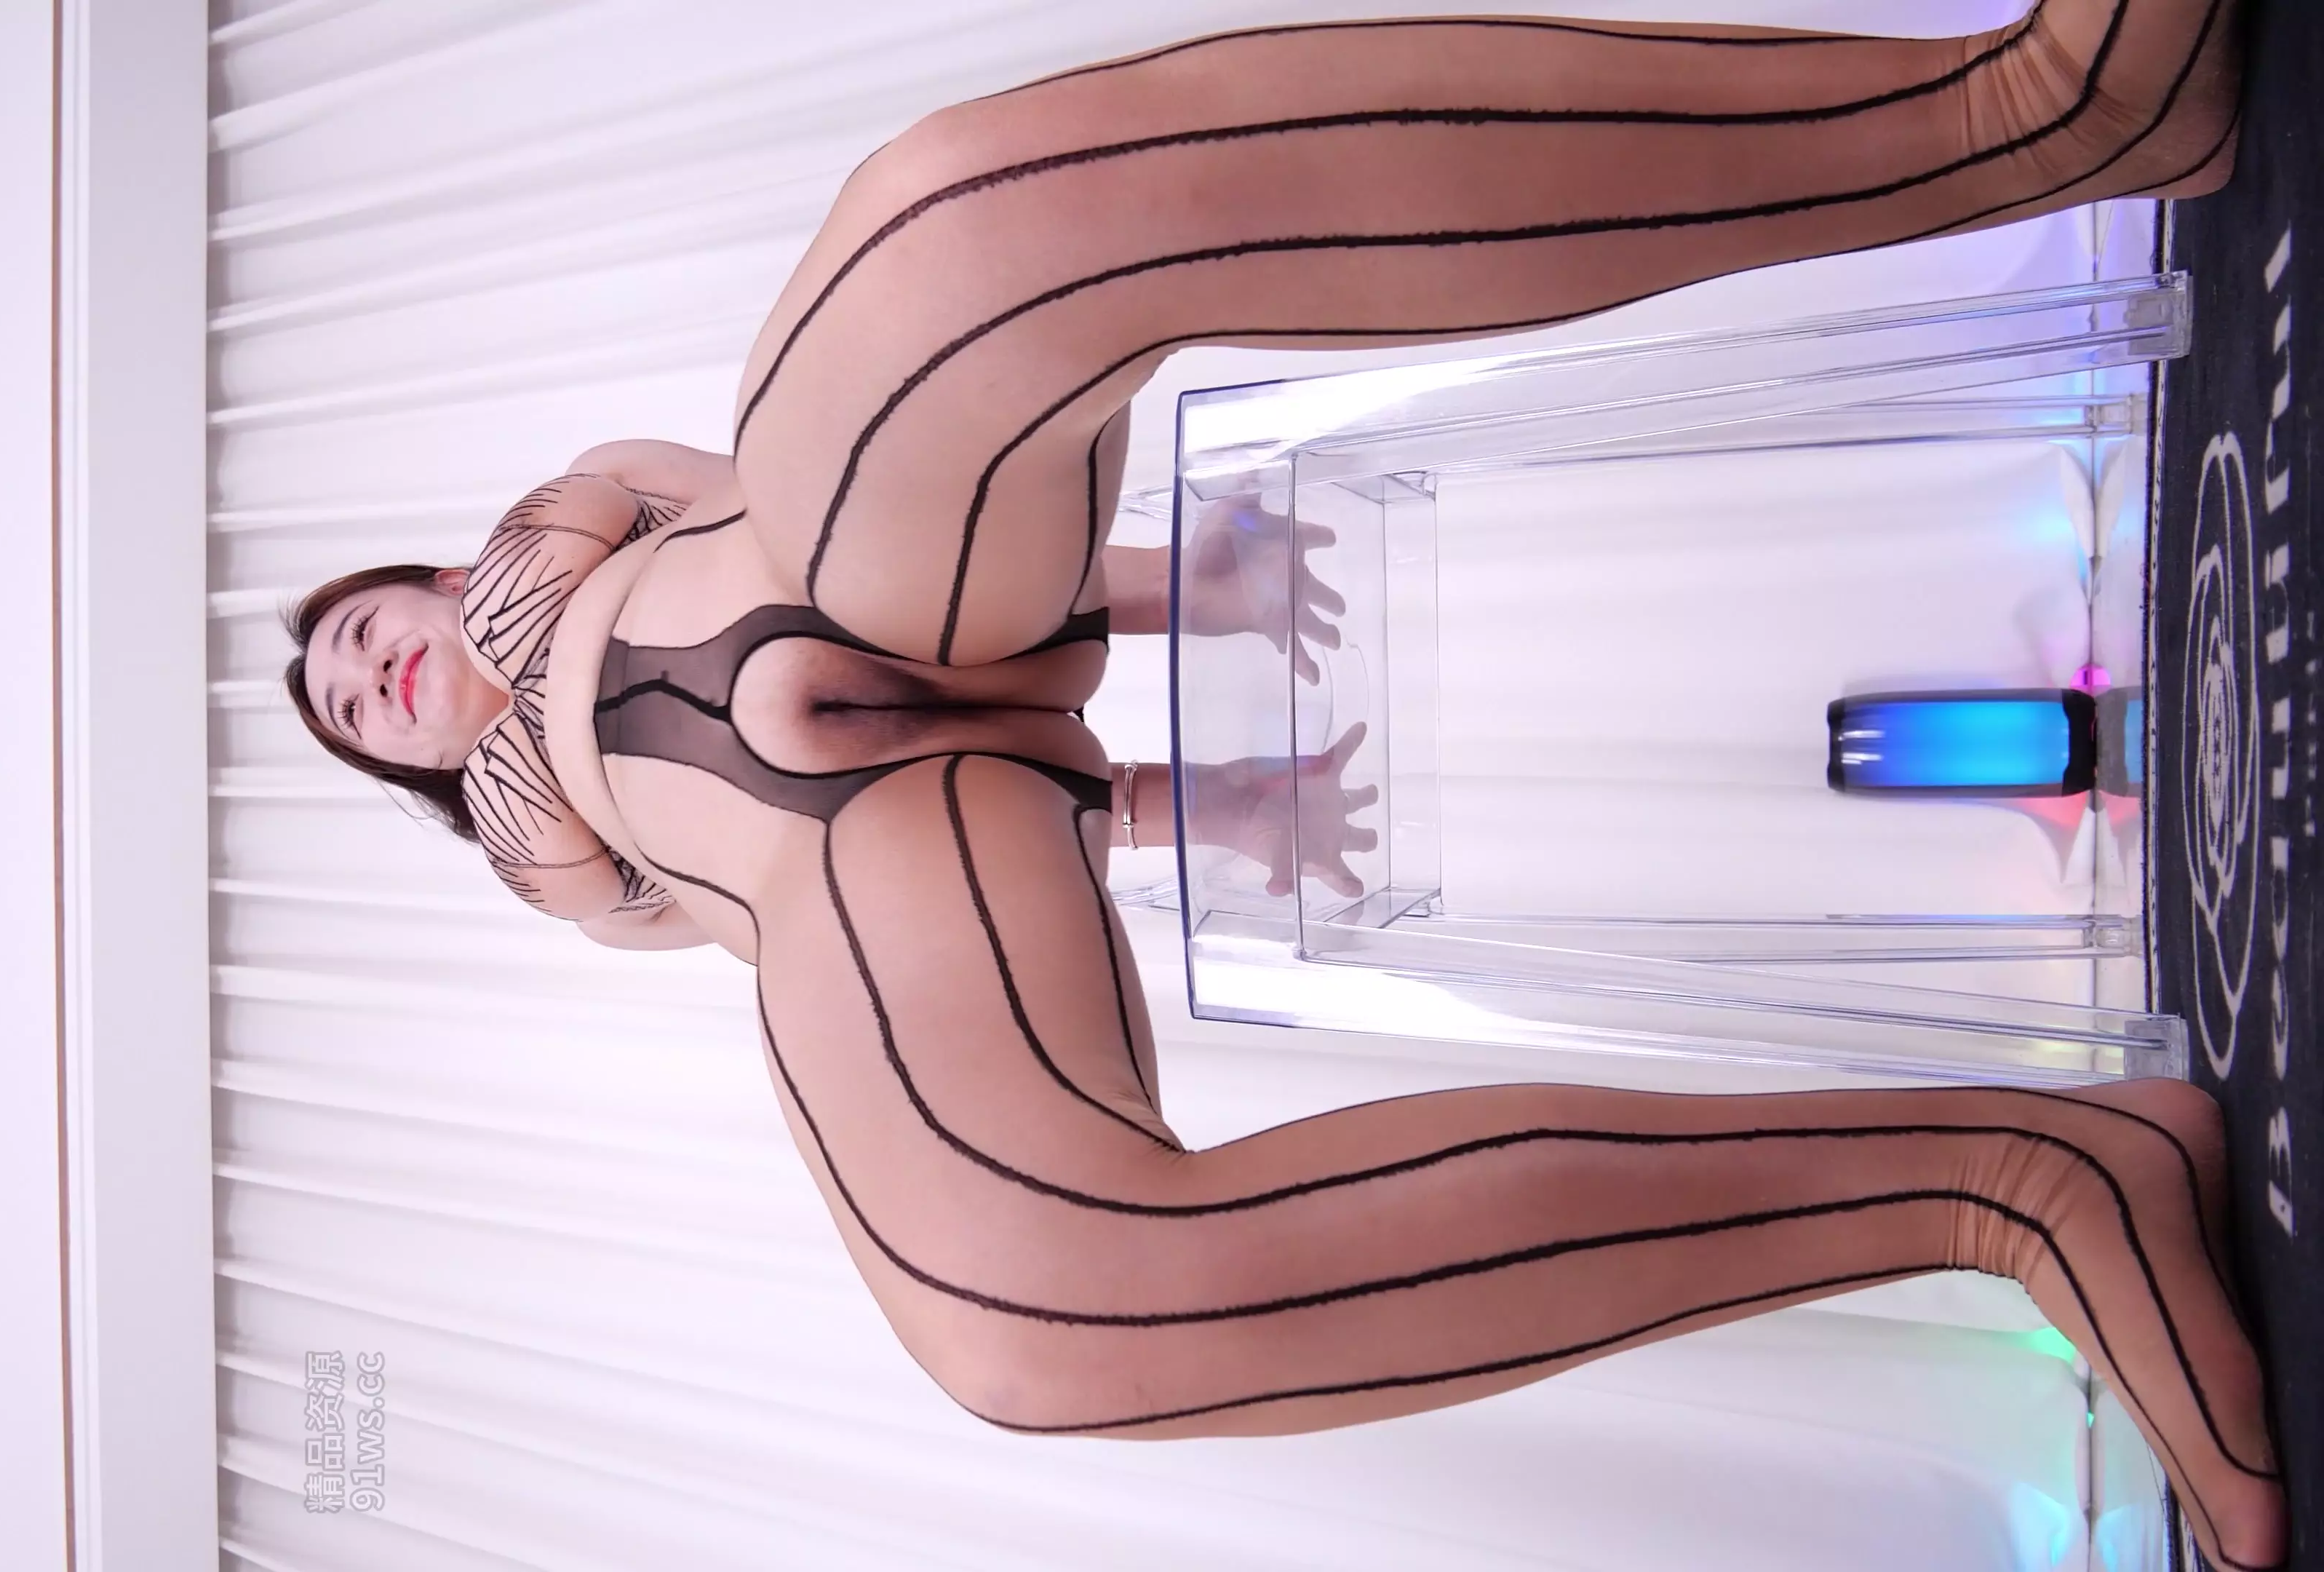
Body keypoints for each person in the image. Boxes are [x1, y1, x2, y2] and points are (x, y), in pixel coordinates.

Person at [282, 4, 2286, 1565]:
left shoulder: (573, 506)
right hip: (844, 875)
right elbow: (808, 911)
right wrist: (1186, 811)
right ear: (407, 767)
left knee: (947, 228)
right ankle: (2016, 1187)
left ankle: (2022, 112)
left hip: (849, 566)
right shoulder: (560, 871)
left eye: (357, 634)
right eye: (353, 714)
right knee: (1026, 1328)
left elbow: (813, 489)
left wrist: (1190, 587)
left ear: (423, 584)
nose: (370, 678)